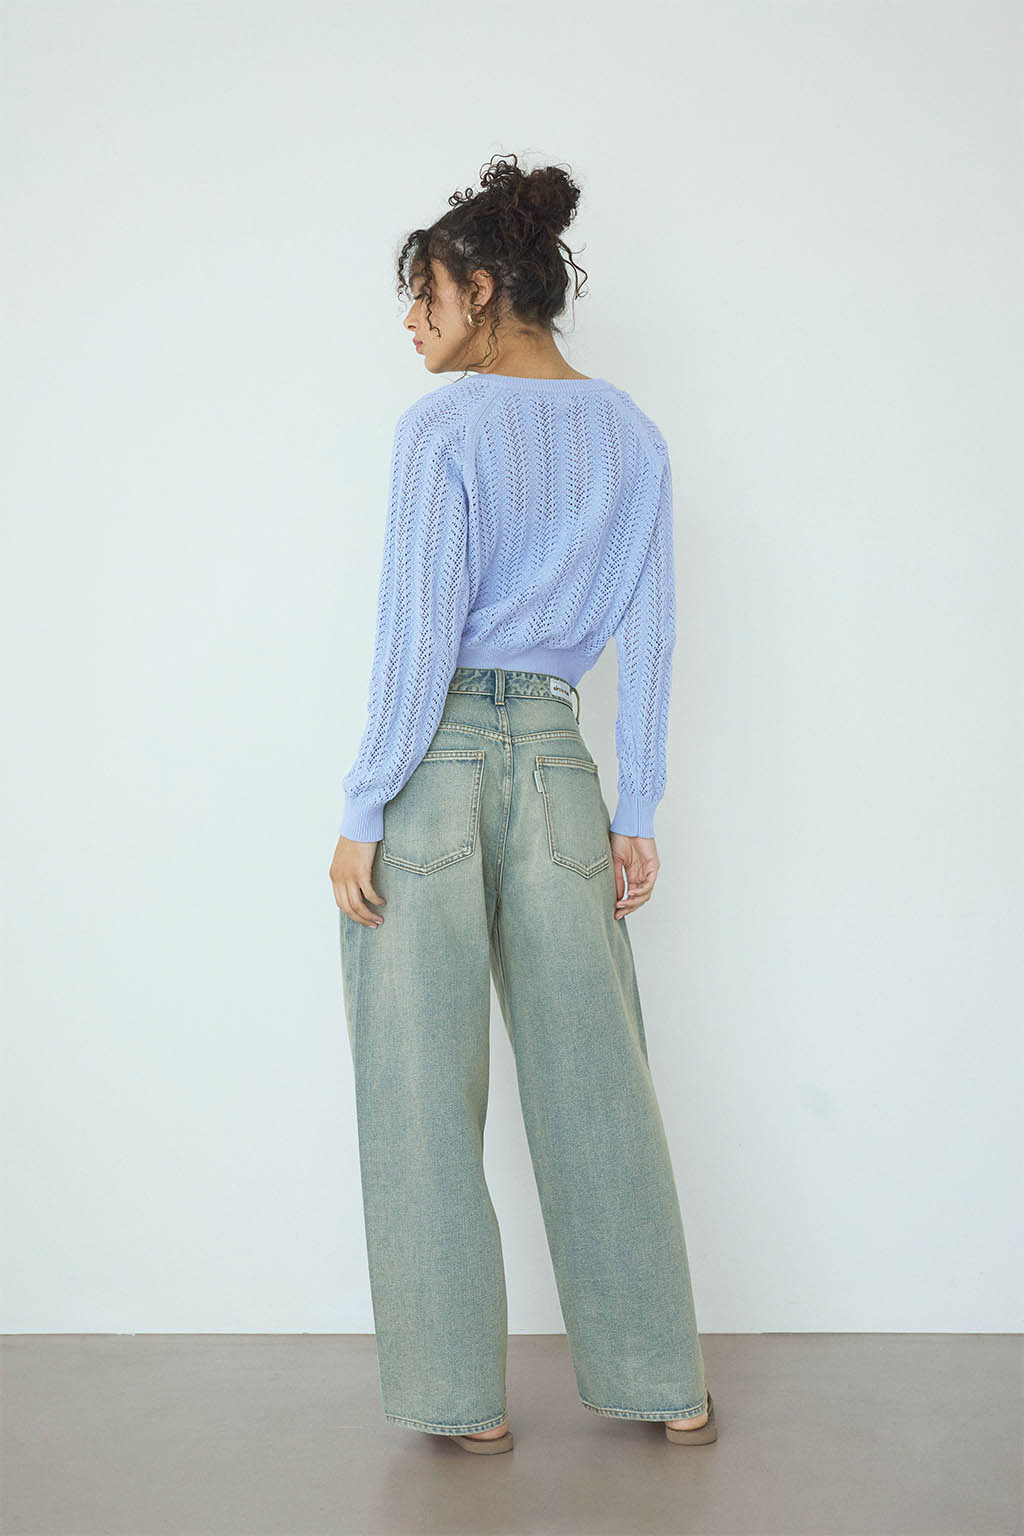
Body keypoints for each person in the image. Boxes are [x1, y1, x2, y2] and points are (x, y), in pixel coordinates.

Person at [329, 153, 716, 1455]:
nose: (412, 320)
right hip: (559, 766)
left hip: (432, 771)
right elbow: (651, 636)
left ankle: (461, 1407)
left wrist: (365, 805)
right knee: (599, 1082)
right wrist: (635, 806)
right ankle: (666, 1384)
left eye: (425, 293)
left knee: (418, 1090)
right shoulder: (633, 437)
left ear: (484, 288)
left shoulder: (441, 432)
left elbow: (417, 637)